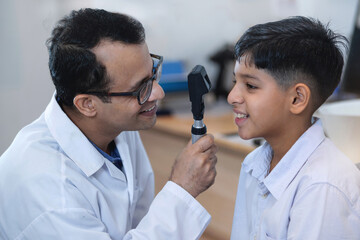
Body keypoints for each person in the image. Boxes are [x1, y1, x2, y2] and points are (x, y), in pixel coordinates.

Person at [0, 8, 218, 240]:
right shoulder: (51, 195)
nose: (158, 92)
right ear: (88, 105)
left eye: (153, 74)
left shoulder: (116, 126)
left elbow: (138, 221)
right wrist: (182, 188)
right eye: (141, 88)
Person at [228, 16, 360, 239]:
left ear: (297, 99)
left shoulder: (322, 187)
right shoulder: (254, 164)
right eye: (235, 82)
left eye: (250, 86)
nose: (232, 97)